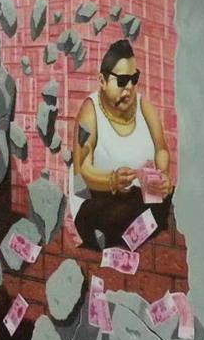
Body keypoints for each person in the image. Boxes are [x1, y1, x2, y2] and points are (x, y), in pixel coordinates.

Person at [71, 39, 173, 250]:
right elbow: (82, 170)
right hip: (101, 202)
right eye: (122, 81)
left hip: (139, 198)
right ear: (102, 81)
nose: (129, 88)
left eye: (134, 79)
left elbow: (161, 149)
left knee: (167, 198)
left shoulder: (144, 106)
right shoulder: (90, 112)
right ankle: (130, 234)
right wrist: (112, 180)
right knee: (110, 216)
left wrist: (163, 174)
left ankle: (128, 236)